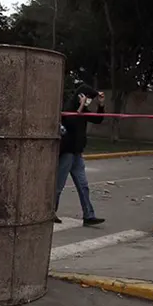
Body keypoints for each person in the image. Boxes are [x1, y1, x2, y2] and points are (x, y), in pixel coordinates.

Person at [54, 85, 106, 227]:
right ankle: (50, 212)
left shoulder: (83, 111)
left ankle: (89, 215)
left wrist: (101, 105)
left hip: (77, 154)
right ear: (80, 96)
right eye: (88, 98)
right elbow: (70, 123)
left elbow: (98, 120)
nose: (89, 101)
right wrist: (81, 107)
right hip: (67, 153)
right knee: (58, 186)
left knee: (83, 186)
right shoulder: (68, 108)